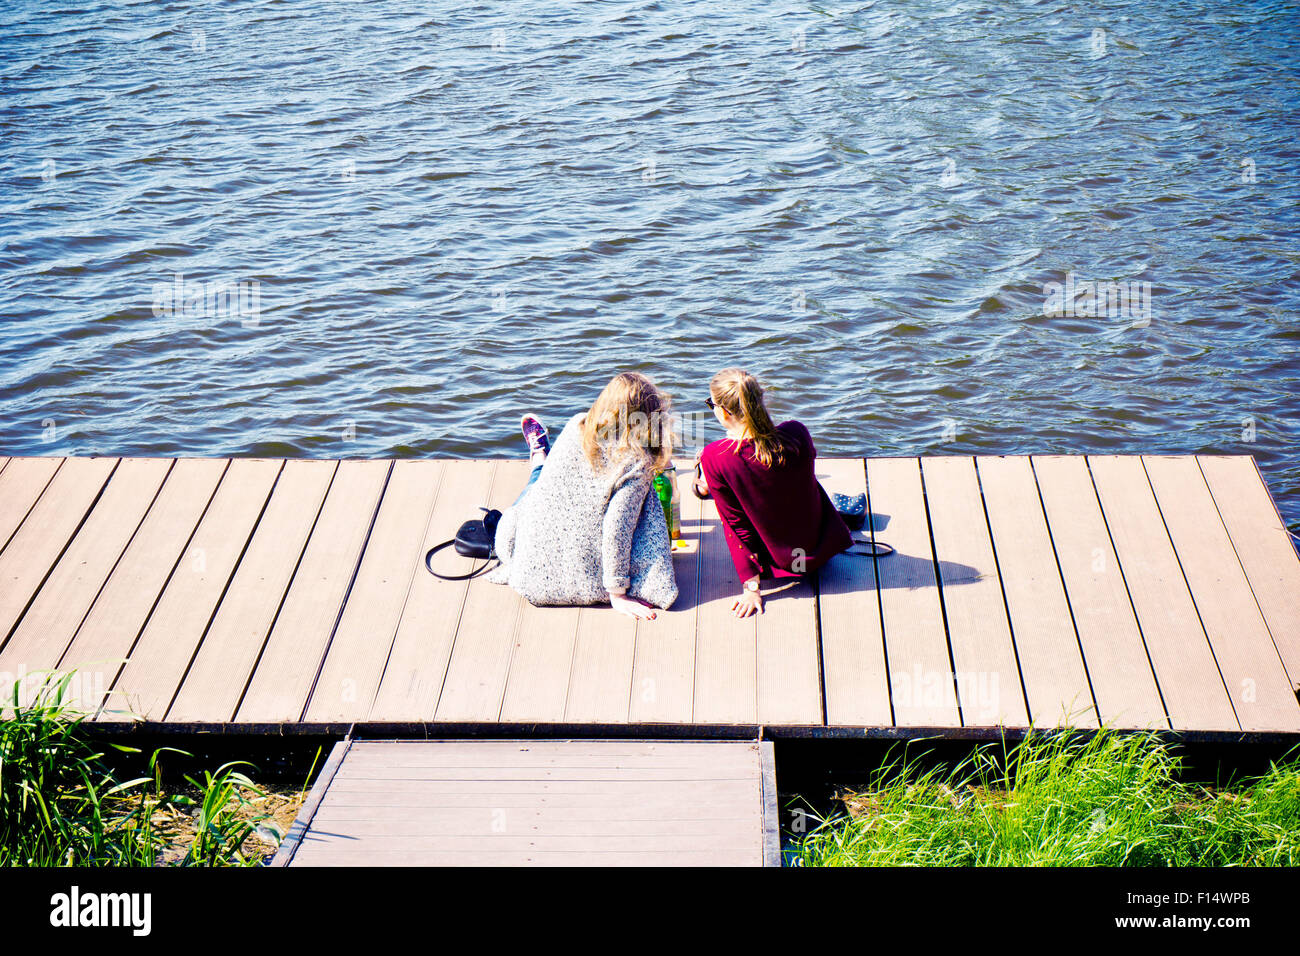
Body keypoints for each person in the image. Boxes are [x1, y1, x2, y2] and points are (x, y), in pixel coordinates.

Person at [488, 372, 678, 619]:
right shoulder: (635, 463)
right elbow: (616, 528)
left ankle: (538, 460)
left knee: (538, 485)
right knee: (646, 502)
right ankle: (538, 463)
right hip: (583, 582)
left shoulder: (577, 425)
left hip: (528, 577)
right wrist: (618, 594)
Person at [697, 368, 852, 618]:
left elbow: (735, 525)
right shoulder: (796, 432)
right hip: (822, 550)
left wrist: (751, 587)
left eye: (711, 404)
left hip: (783, 565)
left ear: (723, 412)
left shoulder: (716, 457)